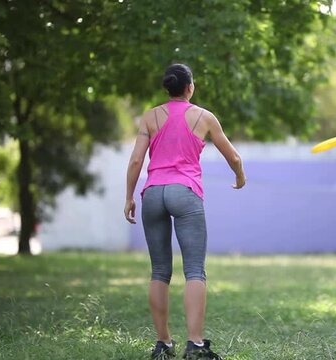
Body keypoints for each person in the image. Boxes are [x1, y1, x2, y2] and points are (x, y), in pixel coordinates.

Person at [125, 63, 246, 359]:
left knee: (159, 271)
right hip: (185, 192)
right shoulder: (204, 117)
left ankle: (163, 344)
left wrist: (129, 197)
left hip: (152, 193)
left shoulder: (150, 116)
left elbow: (136, 162)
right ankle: (195, 345)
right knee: (194, 270)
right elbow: (233, 156)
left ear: (168, 88)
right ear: (190, 87)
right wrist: (240, 177)